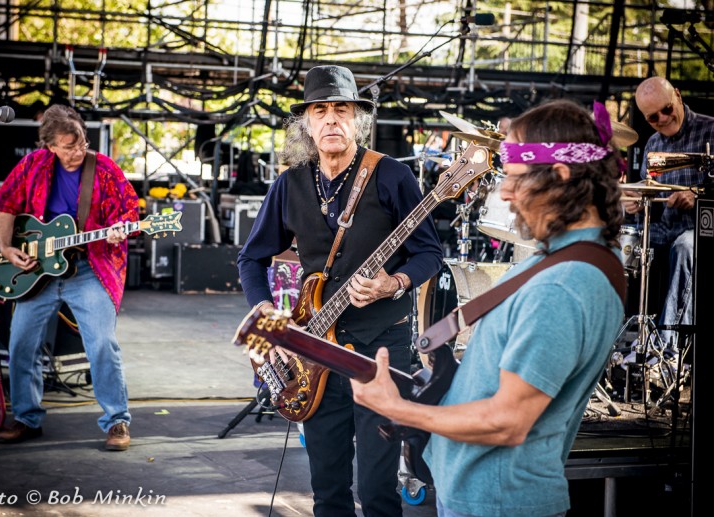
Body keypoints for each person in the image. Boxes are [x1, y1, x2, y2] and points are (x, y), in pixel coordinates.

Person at [351, 99, 626, 517]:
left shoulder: (564, 285)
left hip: (497, 504)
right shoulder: (559, 261)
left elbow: (507, 421)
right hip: (479, 497)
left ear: (560, 177)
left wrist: (396, 409)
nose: (505, 192)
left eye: (516, 179)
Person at [237, 65, 443, 516]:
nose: (331, 119)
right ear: (307, 123)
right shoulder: (289, 184)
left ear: (358, 120)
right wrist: (269, 323)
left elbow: (430, 253)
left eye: (341, 110)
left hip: (380, 351)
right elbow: (250, 259)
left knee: (377, 489)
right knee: (327, 491)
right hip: (314, 350)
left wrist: (395, 282)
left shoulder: (391, 177)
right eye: (320, 110)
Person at [0, 104, 138, 451]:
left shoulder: (102, 168)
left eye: (82, 143)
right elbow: (6, 206)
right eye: (69, 146)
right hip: (37, 271)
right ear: (50, 146)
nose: (78, 151)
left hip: (89, 267)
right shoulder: (32, 165)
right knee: (20, 344)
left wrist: (120, 229)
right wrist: (8, 247)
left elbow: (130, 211)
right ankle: (26, 418)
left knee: (102, 343)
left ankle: (117, 421)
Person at [623, 77, 714, 347]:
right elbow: (648, 191)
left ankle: (667, 348)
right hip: (664, 228)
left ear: (677, 94)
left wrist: (698, 195)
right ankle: (612, 336)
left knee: (685, 246)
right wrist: (637, 202)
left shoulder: (710, 130)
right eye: (653, 117)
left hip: (701, 228)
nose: (663, 118)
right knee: (621, 243)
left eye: (667, 109)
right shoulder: (653, 144)